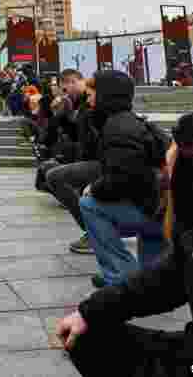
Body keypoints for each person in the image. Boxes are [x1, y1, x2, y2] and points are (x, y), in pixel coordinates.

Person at [55, 107, 193, 374]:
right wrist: (91, 311)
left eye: (172, 153)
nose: (166, 164)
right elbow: (167, 279)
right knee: (91, 334)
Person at [78, 70, 165, 287]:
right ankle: (150, 279)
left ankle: (120, 276)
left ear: (105, 95)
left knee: (89, 204)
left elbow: (122, 178)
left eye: (91, 94)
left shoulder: (117, 128)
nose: (87, 100)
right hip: (159, 207)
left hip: (149, 210)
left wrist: (94, 188)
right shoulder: (130, 121)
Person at [39, 72, 101, 254]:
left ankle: (97, 233)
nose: (64, 92)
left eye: (65, 88)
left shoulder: (93, 104)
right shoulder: (79, 104)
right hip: (88, 156)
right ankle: (95, 230)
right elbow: (77, 133)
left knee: (56, 176)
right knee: (51, 172)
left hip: (102, 160)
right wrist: (63, 117)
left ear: (73, 82)